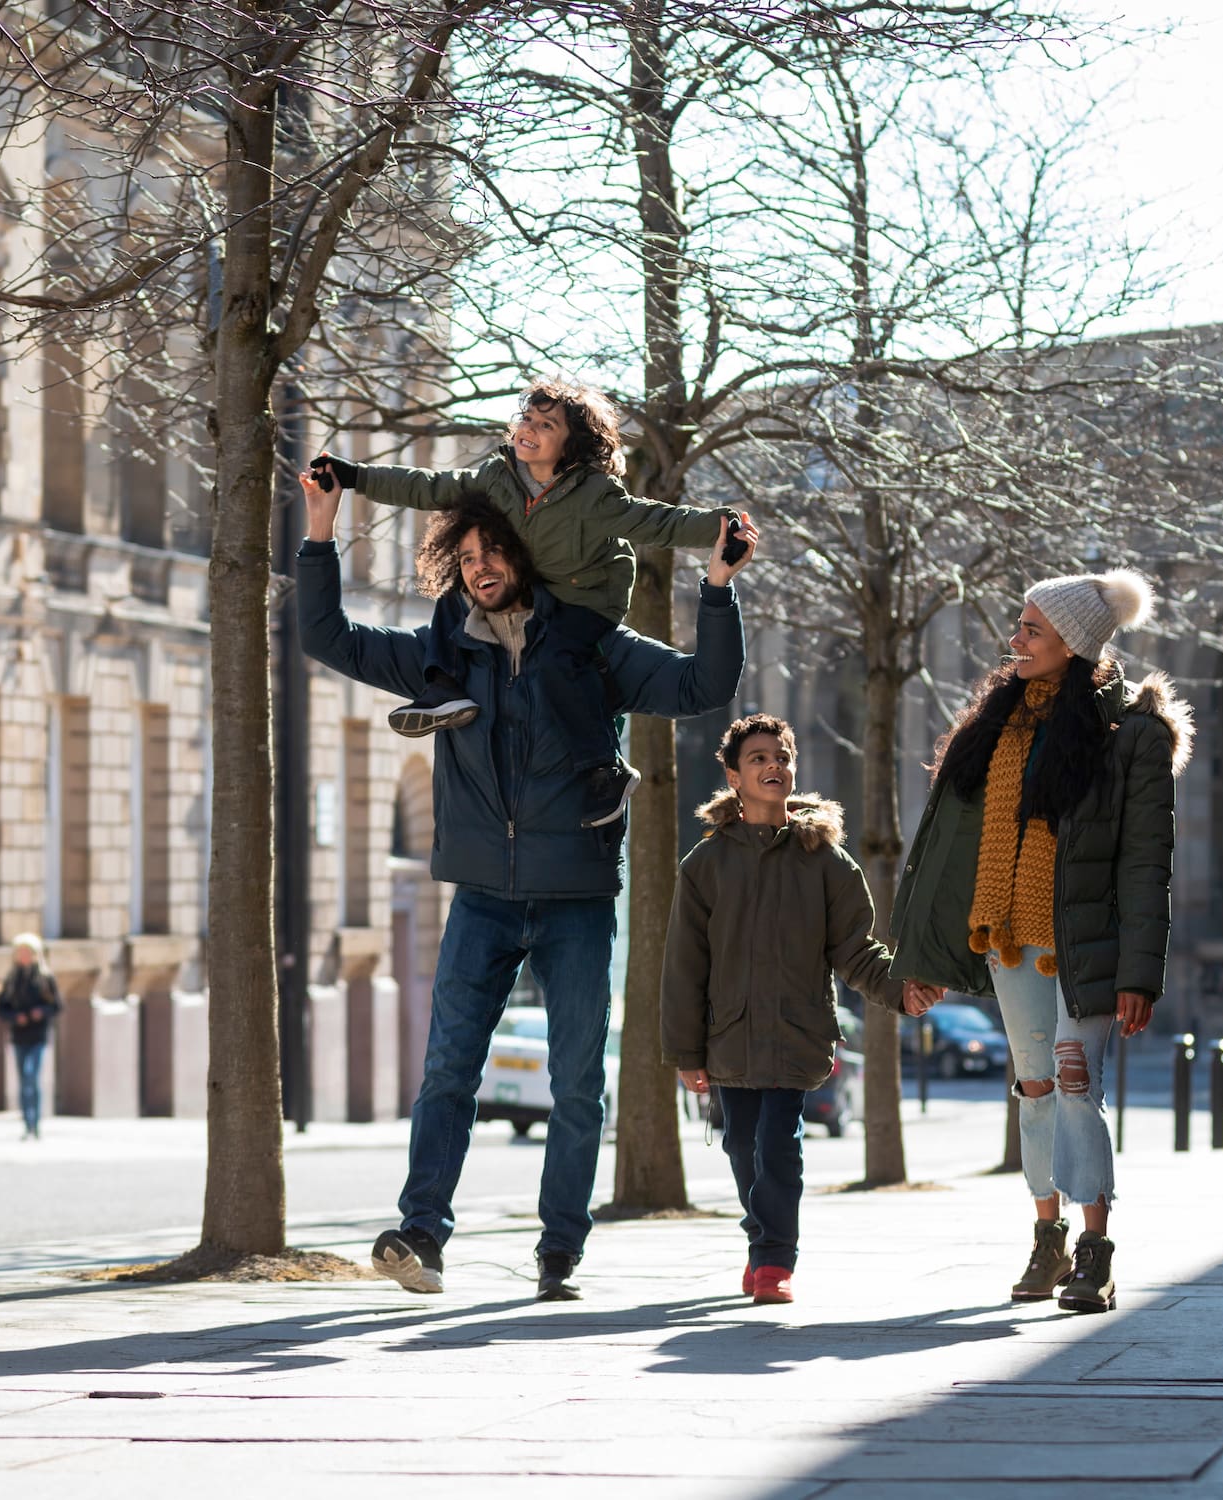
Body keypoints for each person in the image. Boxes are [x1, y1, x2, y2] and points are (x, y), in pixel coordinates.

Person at [297, 464, 756, 1302]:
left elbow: (703, 686)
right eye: (464, 553)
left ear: (523, 555)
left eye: (493, 549)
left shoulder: (588, 645)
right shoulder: (442, 655)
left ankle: (559, 1249)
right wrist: (320, 530)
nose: (479, 565)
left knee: (578, 1081)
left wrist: (717, 588)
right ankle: (422, 1235)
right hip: (480, 896)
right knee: (448, 1072)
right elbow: (328, 639)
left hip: (576, 895)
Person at [890, 569, 1192, 1313]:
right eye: (1019, 626)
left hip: (1086, 944)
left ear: (1074, 646)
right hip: (1009, 937)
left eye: (1032, 630)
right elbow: (951, 847)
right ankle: (1047, 1237)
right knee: (1034, 1091)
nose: (1015, 640)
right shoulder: (997, 723)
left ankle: (1097, 1252)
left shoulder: (1131, 735)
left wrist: (1139, 974)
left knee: (1076, 1085)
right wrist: (923, 957)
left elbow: (1147, 861)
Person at [308, 379, 741, 828]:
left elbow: (656, 521)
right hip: (534, 591)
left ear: (572, 447)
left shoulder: (594, 496)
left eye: (547, 424)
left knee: (557, 660)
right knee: (457, 599)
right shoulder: (497, 477)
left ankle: (602, 768)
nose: (529, 428)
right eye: (527, 418)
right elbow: (431, 487)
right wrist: (354, 476)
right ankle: (442, 687)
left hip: (583, 603)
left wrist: (719, 526)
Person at [662, 714, 938, 1305]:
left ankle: (773, 1260)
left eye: (782, 756)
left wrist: (901, 991)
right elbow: (685, 966)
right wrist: (686, 1051)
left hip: (796, 1032)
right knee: (740, 1145)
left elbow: (858, 951)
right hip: (729, 1033)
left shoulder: (829, 864)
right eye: (759, 758)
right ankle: (760, 1239)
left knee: (777, 1141)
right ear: (734, 776)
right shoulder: (703, 866)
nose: (774, 766)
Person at [0, 933, 61, 1141]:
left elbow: (56, 1006)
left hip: (38, 1035)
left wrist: (40, 1012)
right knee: (24, 1079)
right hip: (19, 1035)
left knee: (31, 1076)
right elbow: (0, 1009)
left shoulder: (44, 978)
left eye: (27, 952)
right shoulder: (11, 979)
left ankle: (35, 1122)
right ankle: (26, 1122)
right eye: (20, 952)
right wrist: (15, 1017)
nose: (23, 956)